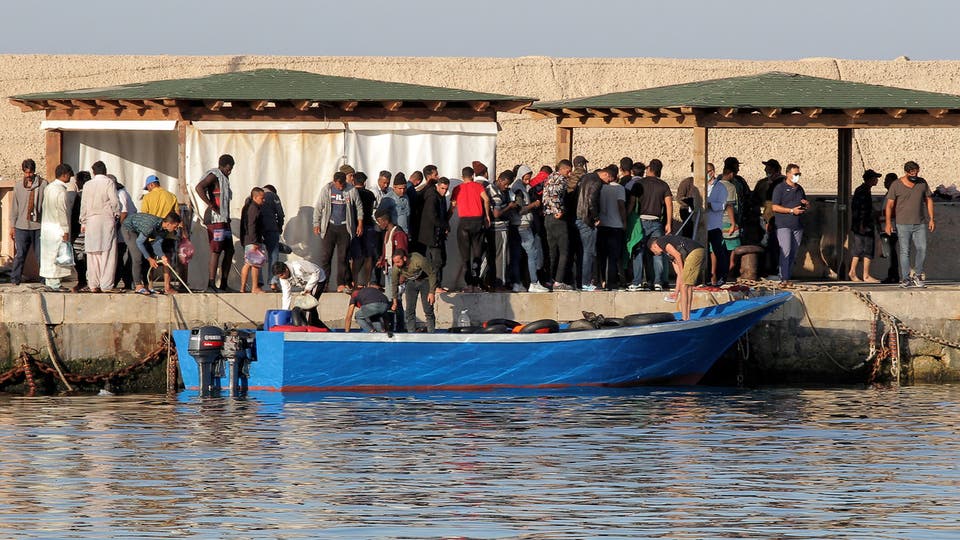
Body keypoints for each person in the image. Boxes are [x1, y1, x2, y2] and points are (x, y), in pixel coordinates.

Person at [313, 169, 365, 293]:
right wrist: (316, 223)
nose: (340, 187)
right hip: (329, 227)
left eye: (342, 185)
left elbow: (359, 207)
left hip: (345, 227)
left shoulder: (351, 190)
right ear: (334, 182)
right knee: (326, 257)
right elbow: (319, 207)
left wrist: (360, 224)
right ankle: (324, 284)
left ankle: (340, 283)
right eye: (338, 185)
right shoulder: (327, 189)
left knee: (343, 258)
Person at [884, 161, 934, 288]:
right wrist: (888, 223)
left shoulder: (922, 183)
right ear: (906, 172)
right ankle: (905, 278)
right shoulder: (896, 185)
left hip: (920, 223)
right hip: (902, 224)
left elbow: (928, 200)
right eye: (912, 173)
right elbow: (889, 205)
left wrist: (931, 218)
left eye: (917, 172)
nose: (915, 175)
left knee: (922, 249)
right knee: (904, 251)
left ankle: (917, 275)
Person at [195, 154, 236, 292]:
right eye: (228, 168)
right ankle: (211, 284)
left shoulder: (225, 178)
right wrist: (210, 204)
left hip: (224, 219)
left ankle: (224, 283)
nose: (229, 171)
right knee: (216, 250)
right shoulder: (214, 174)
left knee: (230, 250)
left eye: (231, 169)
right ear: (222, 166)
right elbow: (199, 187)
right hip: (215, 220)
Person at [80, 161, 120, 293]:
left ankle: (93, 284)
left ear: (94, 172)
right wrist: (116, 214)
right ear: (105, 170)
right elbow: (115, 202)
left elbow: (84, 205)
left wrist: (83, 222)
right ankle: (106, 285)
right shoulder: (109, 183)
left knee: (93, 254)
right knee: (107, 253)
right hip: (106, 220)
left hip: (91, 221)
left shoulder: (87, 185)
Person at [121, 211, 182, 296]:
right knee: (137, 256)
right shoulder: (150, 226)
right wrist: (149, 259)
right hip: (129, 229)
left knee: (148, 252)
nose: (176, 229)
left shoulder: (164, 230)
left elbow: (157, 244)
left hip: (140, 231)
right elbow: (139, 242)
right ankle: (138, 285)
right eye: (175, 226)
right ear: (168, 224)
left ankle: (147, 286)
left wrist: (163, 256)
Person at [450, 166, 490, 292]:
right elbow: (487, 199)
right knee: (477, 253)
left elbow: (453, 206)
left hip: (464, 223)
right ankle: (476, 283)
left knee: (465, 256)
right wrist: (487, 216)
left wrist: (446, 221)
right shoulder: (478, 186)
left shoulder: (457, 188)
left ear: (462, 177)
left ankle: (468, 285)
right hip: (477, 221)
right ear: (472, 176)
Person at [648, 235, 705, 321]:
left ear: (654, 246)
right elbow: (678, 273)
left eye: (653, 251)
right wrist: (676, 292)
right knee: (687, 286)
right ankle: (687, 317)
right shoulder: (668, 254)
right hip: (697, 251)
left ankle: (684, 318)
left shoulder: (660, 241)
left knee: (685, 286)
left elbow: (678, 255)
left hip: (694, 251)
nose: (655, 253)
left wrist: (682, 272)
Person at [637, 159, 673, 291]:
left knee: (640, 251)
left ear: (649, 168)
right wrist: (668, 223)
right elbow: (669, 204)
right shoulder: (663, 185)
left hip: (640, 221)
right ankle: (657, 281)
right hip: (657, 221)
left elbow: (632, 203)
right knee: (658, 252)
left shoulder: (640, 183)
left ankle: (642, 281)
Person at [140, 174, 180, 293]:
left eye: (148, 187)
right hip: (168, 233)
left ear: (151, 184)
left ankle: (150, 286)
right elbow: (177, 216)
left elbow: (144, 217)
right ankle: (167, 287)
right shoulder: (171, 196)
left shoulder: (147, 198)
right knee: (167, 259)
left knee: (151, 259)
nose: (148, 190)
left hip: (152, 234)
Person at [511, 165, 548, 292]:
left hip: (517, 226)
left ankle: (517, 283)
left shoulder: (518, 187)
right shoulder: (519, 189)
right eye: (526, 179)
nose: (528, 181)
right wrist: (534, 204)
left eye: (529, 179)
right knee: (532, 254)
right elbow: (521, 210)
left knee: (517, 256)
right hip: (523, 226)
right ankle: (534, 282)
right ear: (521, 175)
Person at [771, 163, 808, 285]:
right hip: (783, 225)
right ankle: (783, 278)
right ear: (788, 174)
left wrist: (806, 205)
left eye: (799, 174)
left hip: (797, 225)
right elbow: (775, 207)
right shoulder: (780, 188)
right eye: (795, 174)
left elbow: (806, 204)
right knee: (785, 251)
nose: (797, 176)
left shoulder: (800, 188)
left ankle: (788, 276)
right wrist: (791, 210)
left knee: (793, 252)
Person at [9, 159, 45, 285]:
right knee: (20, 255)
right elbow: (14, 208)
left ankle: (44, 279)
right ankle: (15, 279)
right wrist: (12, 226)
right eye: (26, 173)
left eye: (31, 173)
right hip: (21, 226)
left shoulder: (43, 184)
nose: (29, 175)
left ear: (34, 171)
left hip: (38, 226)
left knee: (41, 255)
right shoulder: (18, 186)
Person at [39, 164, 73, 291]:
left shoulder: (49, 188)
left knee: (49, 256)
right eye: (69, 174)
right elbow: (62, 212)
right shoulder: (61, 191)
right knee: (57, 256)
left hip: (47, 226)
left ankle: (50, 282)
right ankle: (55, 284)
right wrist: (65, 230)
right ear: (64, 175)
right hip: (57, 227)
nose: (70, 177)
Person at [488, 170, 522, 291]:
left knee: (492, 256)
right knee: (501, 256)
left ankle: (492, 283)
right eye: (505, 184)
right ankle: (499, 284)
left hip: (492, 228)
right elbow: (497, 213)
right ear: (500, 179)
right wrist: (510, 206)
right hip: (499, 227)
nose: (506, 187)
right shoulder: (495, 192)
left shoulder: (490, 188)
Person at [375, 208, 409, 329]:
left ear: (384, 220)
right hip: (388, 270)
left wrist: (402, 274)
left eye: (379, 221)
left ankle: (398, 326)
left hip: (396, 272)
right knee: (390, 299)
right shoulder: (387, 233)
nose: (379, 224)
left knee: (396, 299)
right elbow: (388, 252)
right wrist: (382, 259)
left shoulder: (398, 233)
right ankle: (393, 325)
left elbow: (402, 253)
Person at [542, 160, 573, 291]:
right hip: (557, 219)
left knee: (552, 251)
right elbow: (555, 196)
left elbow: (546, 196)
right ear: (563, 169)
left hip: (547, 218)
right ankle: (559, 281)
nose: (569, 173)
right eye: (568, 170)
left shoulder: (549, 178)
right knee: (564, 251)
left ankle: (549, 279)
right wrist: (558, 211)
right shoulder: (561, 180)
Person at [389, 248, 437, 333]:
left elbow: (432, 273)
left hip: (424, 280)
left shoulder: (418, 260)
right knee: (409, 310)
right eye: (395, 262)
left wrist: (432, 292)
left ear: (404, 258)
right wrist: (395, 301)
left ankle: (431, 333)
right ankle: (411, 333)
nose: (396, 265)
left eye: (398, 262)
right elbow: (394, 284)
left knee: (428, 309)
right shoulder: (396, 267)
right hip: (410, 283)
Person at [754, 159, 785, 277]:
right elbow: (755, 198)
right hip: (764, 218)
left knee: (774, 245)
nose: (766, 170)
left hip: (774, 219)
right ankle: (764, 270)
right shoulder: (762, 183)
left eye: (769, 168)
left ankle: (774, 270)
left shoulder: (781, 183)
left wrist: (770, 220)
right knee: (765, 244)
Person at [596, 166, 626, 290]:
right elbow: (621, 206)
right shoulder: (619, 188)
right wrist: (624, 222)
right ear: (616, 176)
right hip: (616, 226)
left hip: (602, 225)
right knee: (613, 257)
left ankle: (600, 281)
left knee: (601, 256)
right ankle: (611, 282)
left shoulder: (601, 187)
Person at [849, 169, 882, 283]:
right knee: (867, 249)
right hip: (864, 225)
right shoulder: (863, 191)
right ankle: (865, 275)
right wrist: (862, 225)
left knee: (858, 249)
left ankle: (853, 272)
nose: (877, 180)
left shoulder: (863, 190)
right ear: (870, 179)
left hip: (861, 225)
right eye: (875, 178)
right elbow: (861, 210)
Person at [272, 260, 327, 327]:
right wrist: (285, 312)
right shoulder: (283, 279)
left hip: (318, 280)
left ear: (286, 269)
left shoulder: (298, 266)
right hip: (306, 285)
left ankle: (307, 327)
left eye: (281, 275)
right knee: (312, 311)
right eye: (279, 277)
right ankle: (322, 328)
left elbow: (316, 271)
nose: (281, 278)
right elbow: (286, 294)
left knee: (307, 306)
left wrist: (308, 288)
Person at [416, 171, 446, 290]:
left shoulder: (438, 196)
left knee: (440, 260)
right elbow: (432, 216)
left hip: (436, 234)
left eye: (446, 189)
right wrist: (445, 226)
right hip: (431, 235)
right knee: (436, 261)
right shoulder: (432, 196)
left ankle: (435, 285)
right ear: (438, 186)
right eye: (442, 188)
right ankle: (435, 286)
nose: (444, 191)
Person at [349, 172, 378, 288]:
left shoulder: (351, 193)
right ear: (364, 183)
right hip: (369, 226)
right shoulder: (370, 194)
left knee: (355, 256)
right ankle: (367, 282)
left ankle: (354, 282)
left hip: (355, 226)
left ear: (353, 181)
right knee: (369, 256)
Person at [575, 169, 602, 291]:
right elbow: (591, 200)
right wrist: (596, 217)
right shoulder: (597, 181)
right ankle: (586, 282)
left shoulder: (583, 179)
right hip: (587, 220)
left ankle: (580, 281)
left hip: (578, 218)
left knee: (581, 252)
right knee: (589, 252)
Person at [67, 171, 90, 293]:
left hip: (80, 232)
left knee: (79, 257)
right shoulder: (90, 194)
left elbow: (74, 216)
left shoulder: (79, 196)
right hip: (90, 231)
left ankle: (83, 282)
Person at [239, 187, 266, 294]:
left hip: (248, 239)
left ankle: (242, 288)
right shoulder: (253, 208)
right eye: (262, 198)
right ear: (255, 197)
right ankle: (254, 287)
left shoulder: (248, 207)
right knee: (255, 264)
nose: (263, 200)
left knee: (248, 263)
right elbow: (251, 225)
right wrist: (254, 241)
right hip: (252, 240)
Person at [260, 184, 285, 290]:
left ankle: (258, 282)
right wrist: (279, 227)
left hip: (256, 229)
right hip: (271, 228)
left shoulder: (252, 195)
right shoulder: (273, 196)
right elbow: (280, 213)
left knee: (257, 257)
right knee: (273, 255)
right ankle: (273, 282)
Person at [879, 173, 901, 284]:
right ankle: (892, 274)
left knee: (891, 252)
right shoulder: (889, 194)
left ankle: (893, 275)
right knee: (889, 252)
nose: (884, 182)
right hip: (885, 227)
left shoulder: (895, 195)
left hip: (891, 228)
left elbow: (893, 211)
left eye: (887, 180)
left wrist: (881, 214)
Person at [676, 162, 703, 239]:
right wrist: (691, 204)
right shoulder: (687, 182)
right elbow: (679, 198)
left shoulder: (703, 182)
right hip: (688, 213)